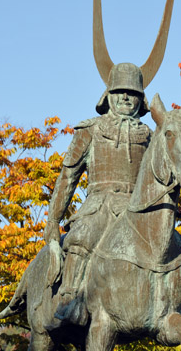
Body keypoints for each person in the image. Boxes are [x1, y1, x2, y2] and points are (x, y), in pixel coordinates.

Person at [44, 62, 152, 325]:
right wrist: (53, 220)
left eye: (132, 92)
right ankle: (69, 299)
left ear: (141, 98)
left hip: (136, 211)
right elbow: (68, 176)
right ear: (108, 95)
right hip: (100, 204)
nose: (126, 97)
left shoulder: (149, 135)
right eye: (119, 91)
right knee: (82, 237)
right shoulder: (91, 129)